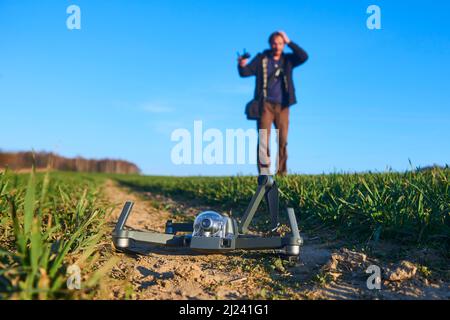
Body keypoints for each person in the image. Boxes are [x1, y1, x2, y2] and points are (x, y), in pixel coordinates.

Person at [238, 31, 308, 175]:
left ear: (284, 44)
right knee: (264, 139)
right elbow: (245, 73)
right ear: (270, 44)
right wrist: (241, 65)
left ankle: (281, 172)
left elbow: (304, 56)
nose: (277, 46)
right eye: (275, 43)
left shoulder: (288, 60)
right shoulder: (262, 59)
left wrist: (289, 41)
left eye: (281, 43)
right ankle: (264, 173)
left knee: (282, 140)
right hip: (265, 105)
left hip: (283, 106)